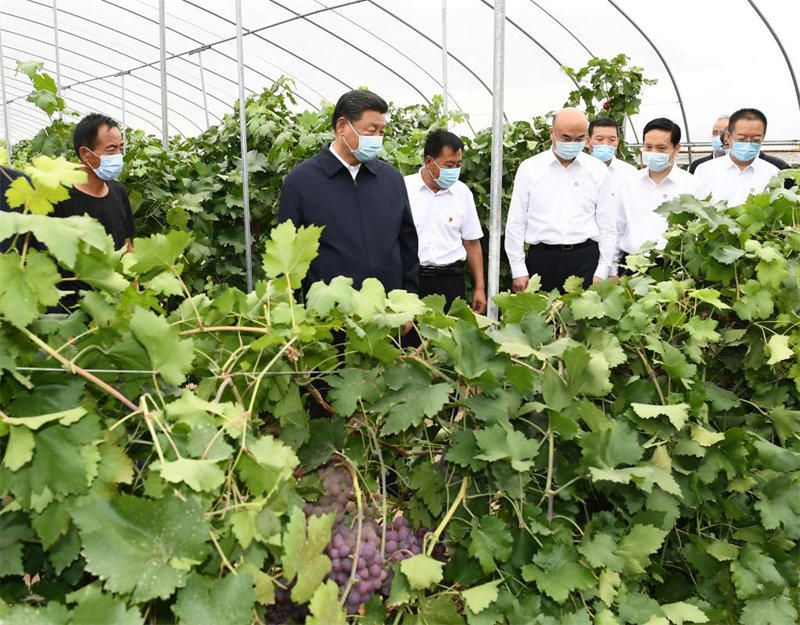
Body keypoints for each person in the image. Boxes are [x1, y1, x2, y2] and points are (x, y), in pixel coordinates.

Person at [278, 89, 418, 300]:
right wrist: (288, 307)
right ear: (342, 126)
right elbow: (287, 254)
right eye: (371, 131)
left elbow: (407, 245)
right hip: (330, 312)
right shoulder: (302, 181)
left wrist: (408, 299)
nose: (377, 139)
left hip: (388, 310)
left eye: (381, 132)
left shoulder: (391, 179)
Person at [505, 107, 614, 293]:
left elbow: (607, 224)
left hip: (585, 259)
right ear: (551, 133)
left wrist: (602, 269)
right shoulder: (530, 168)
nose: (572, 144)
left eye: (579, 139)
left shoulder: (597, 170)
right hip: (542, 259)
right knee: (540, 310)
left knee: (582, 310)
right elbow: (516, 222)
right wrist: (518, 270)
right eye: (566, 138)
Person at [52, 113, 134, 309]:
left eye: (121, 148)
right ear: (85, 154)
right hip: (73, 311)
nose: (118, 156)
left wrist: (133, 294)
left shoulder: (119, 191)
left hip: (115, 304)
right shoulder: (59, 197)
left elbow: (128, 247)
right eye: (111, 149)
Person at [404, 130, 486, 314]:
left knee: (450, 329)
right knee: (411, 331)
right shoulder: (404, 188)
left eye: (458, 164)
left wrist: (479, 287)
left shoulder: (462, 193)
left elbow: (472, 243)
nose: (454, 170)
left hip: (451, 280)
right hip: (412, 280)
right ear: (428, 161)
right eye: (449, 165)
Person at [612, 118, 708, 275]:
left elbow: (699, 229)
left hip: (674, 265)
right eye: (648, 147)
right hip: (632, 263)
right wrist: (613, 267)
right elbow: (618, 228)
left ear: (676, 149)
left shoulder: (691, 185)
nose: (653, 153)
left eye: (661, 148)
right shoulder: (629, 183)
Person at [694, 108, 779, 205]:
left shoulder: (773, 174)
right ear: (728, 137)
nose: (748, 144)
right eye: (741, 139)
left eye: (755, 140)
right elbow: (697, 208)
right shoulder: (705, 170)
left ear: (763, 138)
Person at [586, 116, 638, 190]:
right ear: (588, 141)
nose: (605, 144)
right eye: (600, 139)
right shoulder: (578, 170)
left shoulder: (629, 173)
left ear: (617, 142)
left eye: (612, 140)